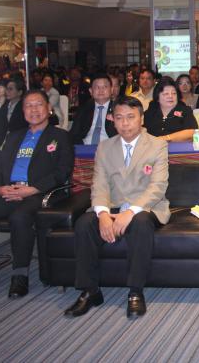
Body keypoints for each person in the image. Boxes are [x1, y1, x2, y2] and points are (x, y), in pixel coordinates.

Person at [63, 95, 169, 318]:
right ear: (112, 119)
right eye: (119, 118)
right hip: (112, 205)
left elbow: (157, 187)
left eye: (131, 117)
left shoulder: (157, 145)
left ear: (141, 118)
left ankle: (135, 291)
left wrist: (130, 212)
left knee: (140, 224)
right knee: (84, 224)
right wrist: (102, 214)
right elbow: (99, 185)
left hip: (145, 207)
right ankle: (90, 290)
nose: (125, 123)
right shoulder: (105, 147)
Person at [0, 90, 73, 299]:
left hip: (38, 194)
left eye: (38, 104)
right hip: (9, 191)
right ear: (23, 111)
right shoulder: (14, 136)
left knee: (20, 217)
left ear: (48, 108)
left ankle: (20, 275)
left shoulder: (60, 136)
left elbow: (62, 171)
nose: (34, 110)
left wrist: (33, 189)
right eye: (28, 106)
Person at [143, 77, 198, 142]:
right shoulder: (150, 112)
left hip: (178, 147)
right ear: (157, 97)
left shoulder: (185, 110)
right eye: (166, 94)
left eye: (174, 93)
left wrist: (165, 138)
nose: (170, 96)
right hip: (153, 147)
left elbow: (192, 132)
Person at [68, 73, 117, 145]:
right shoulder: (84, 109)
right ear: (91, 91)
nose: (101, 90)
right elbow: (74, 133)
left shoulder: (118, 109)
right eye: (97, 87)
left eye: (105, 87)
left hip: (110, 147)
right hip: (85, 147)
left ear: (112, 90)